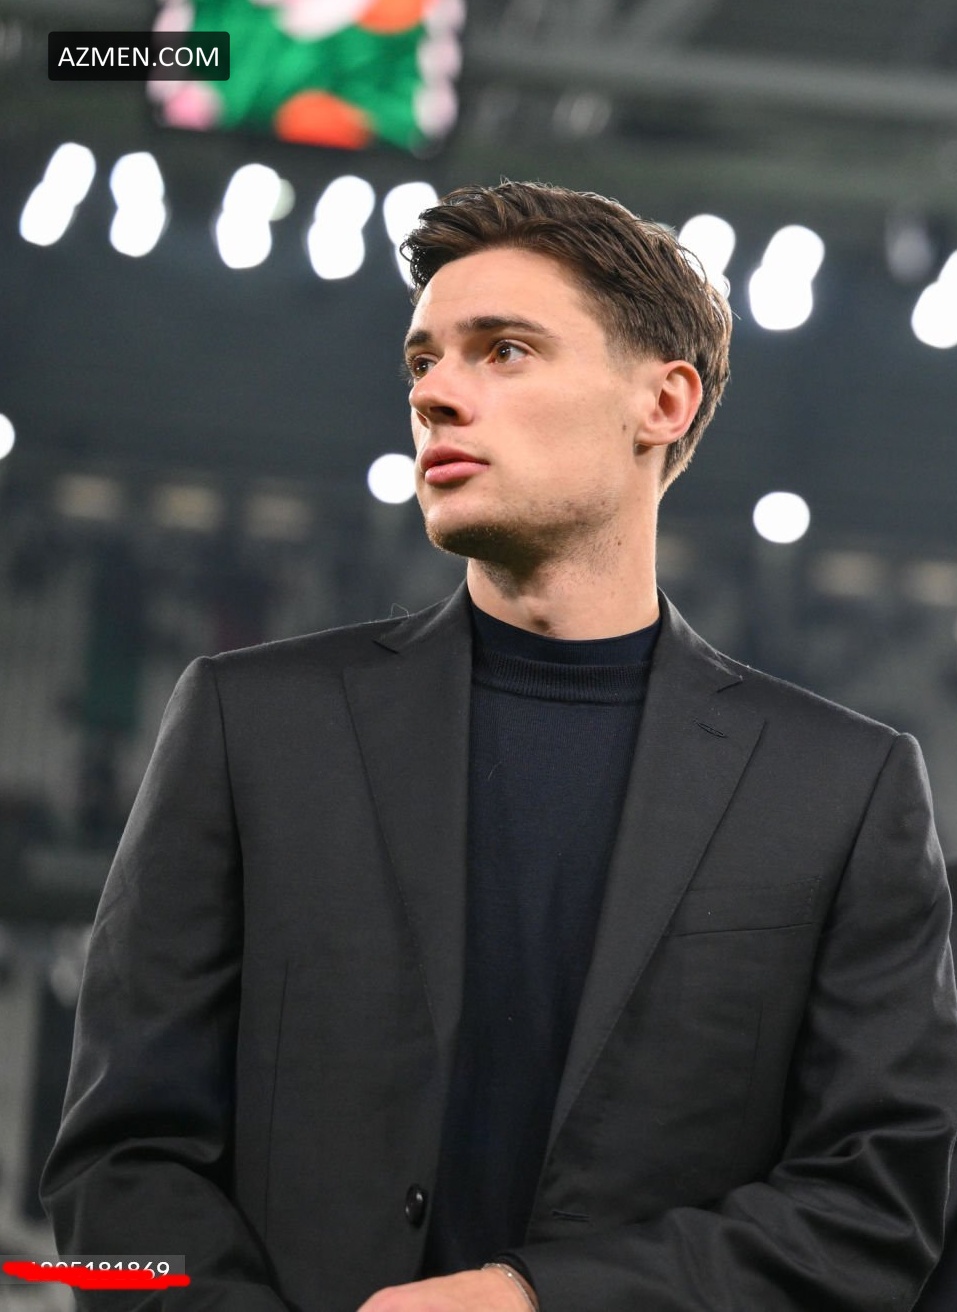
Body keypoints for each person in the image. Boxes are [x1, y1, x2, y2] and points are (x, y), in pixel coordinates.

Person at [41, 182, 957, 1311]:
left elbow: (874, 1210)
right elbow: (115, 1172)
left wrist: (536, 1300)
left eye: (504, 351)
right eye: (423, 360)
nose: (434, 393)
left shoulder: (842, 790)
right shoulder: (252, 726)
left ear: (663, 401)